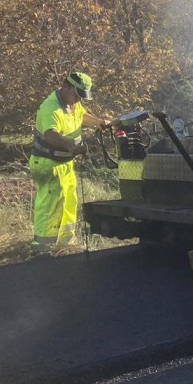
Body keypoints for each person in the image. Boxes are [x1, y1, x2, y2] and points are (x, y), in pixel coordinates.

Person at [29, 72, 111, 253]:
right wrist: (71, 147)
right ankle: (43, 248)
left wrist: (99, 122)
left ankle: (65, 243)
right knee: (52, 203)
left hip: (65, 164)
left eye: (80, 97)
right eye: (75, 95)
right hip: (47, 163)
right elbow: (51, 134)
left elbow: (82, 117)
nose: (77, 100)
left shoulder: (72, 104)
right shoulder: (51, 108)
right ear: (65, 86)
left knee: (69, 201)